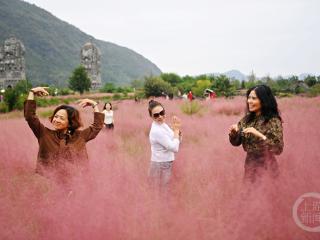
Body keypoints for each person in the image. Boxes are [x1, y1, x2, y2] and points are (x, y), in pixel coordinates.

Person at [24, 87, 104, 184]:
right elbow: (30, 117)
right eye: (56, 116)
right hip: (51, 182)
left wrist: (94, 104)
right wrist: (32, 93)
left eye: (61, 118)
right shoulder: (44, 134)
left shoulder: (80, 136)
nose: (56, 120)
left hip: (77, 183)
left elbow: (97, 126)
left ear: (70, 122)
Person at [229, 85, 284, 183]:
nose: (249, 101)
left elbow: (278, 148)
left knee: (267, 196)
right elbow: (237, 142)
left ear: (264, 100)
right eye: (249, 98)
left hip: (267, 167)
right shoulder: (247, 119)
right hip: (250, 166)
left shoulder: (273, 120)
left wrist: (259, 134)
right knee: (248, 196)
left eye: (254, 98)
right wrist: (234, 134)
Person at [148, 100, 182, 195]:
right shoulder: (156, 130)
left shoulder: (163, 125)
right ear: (151, 117)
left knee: (165, 192)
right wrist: (176, 131)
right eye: (156, 115)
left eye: (162, 113)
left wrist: (177, 131)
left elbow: (177, 140)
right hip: (160, 166)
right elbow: (174, 148)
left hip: (165, 164)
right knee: (162, 194)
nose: (160, 116)